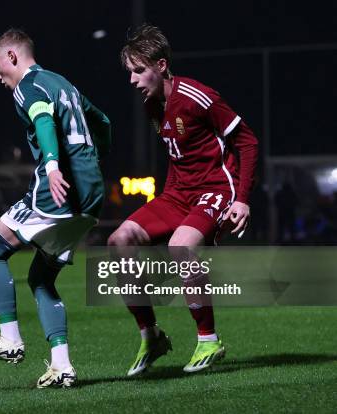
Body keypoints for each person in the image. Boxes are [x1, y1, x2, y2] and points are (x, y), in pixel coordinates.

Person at [0, 29, 111, 389]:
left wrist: (54, 164)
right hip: (91, 196)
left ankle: (10, 338)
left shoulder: (28, 86)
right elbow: (103, 122)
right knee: (41, 279)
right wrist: (90, 165)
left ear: (11, 56)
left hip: (57, 190)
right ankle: (62, 365)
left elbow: (43, 121)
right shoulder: (64, 83)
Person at [109, 24, 258, 375]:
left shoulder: (197, 96)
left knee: (181, 246)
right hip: (178, 194)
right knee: (119, 241)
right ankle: (151, 335)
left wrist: (243, 200)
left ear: (160, 66)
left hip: (216, 190)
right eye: (129, 72)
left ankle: (209, 339)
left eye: (138, 70)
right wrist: (166, 201)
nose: (132, 80)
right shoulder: (152, 106)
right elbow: (178, 158)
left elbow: (247, 142)